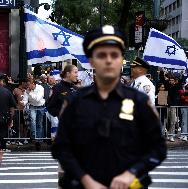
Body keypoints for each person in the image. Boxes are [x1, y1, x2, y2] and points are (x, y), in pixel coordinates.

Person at [52, 25, 167, 189]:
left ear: (121, 60)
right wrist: (86, 180)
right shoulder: (74, 103)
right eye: (101, 55)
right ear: (91, 61)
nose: (108, 60)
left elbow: (158, 148)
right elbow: (61, 149)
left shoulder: (140, 101)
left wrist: (131, 173)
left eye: (114, 55)